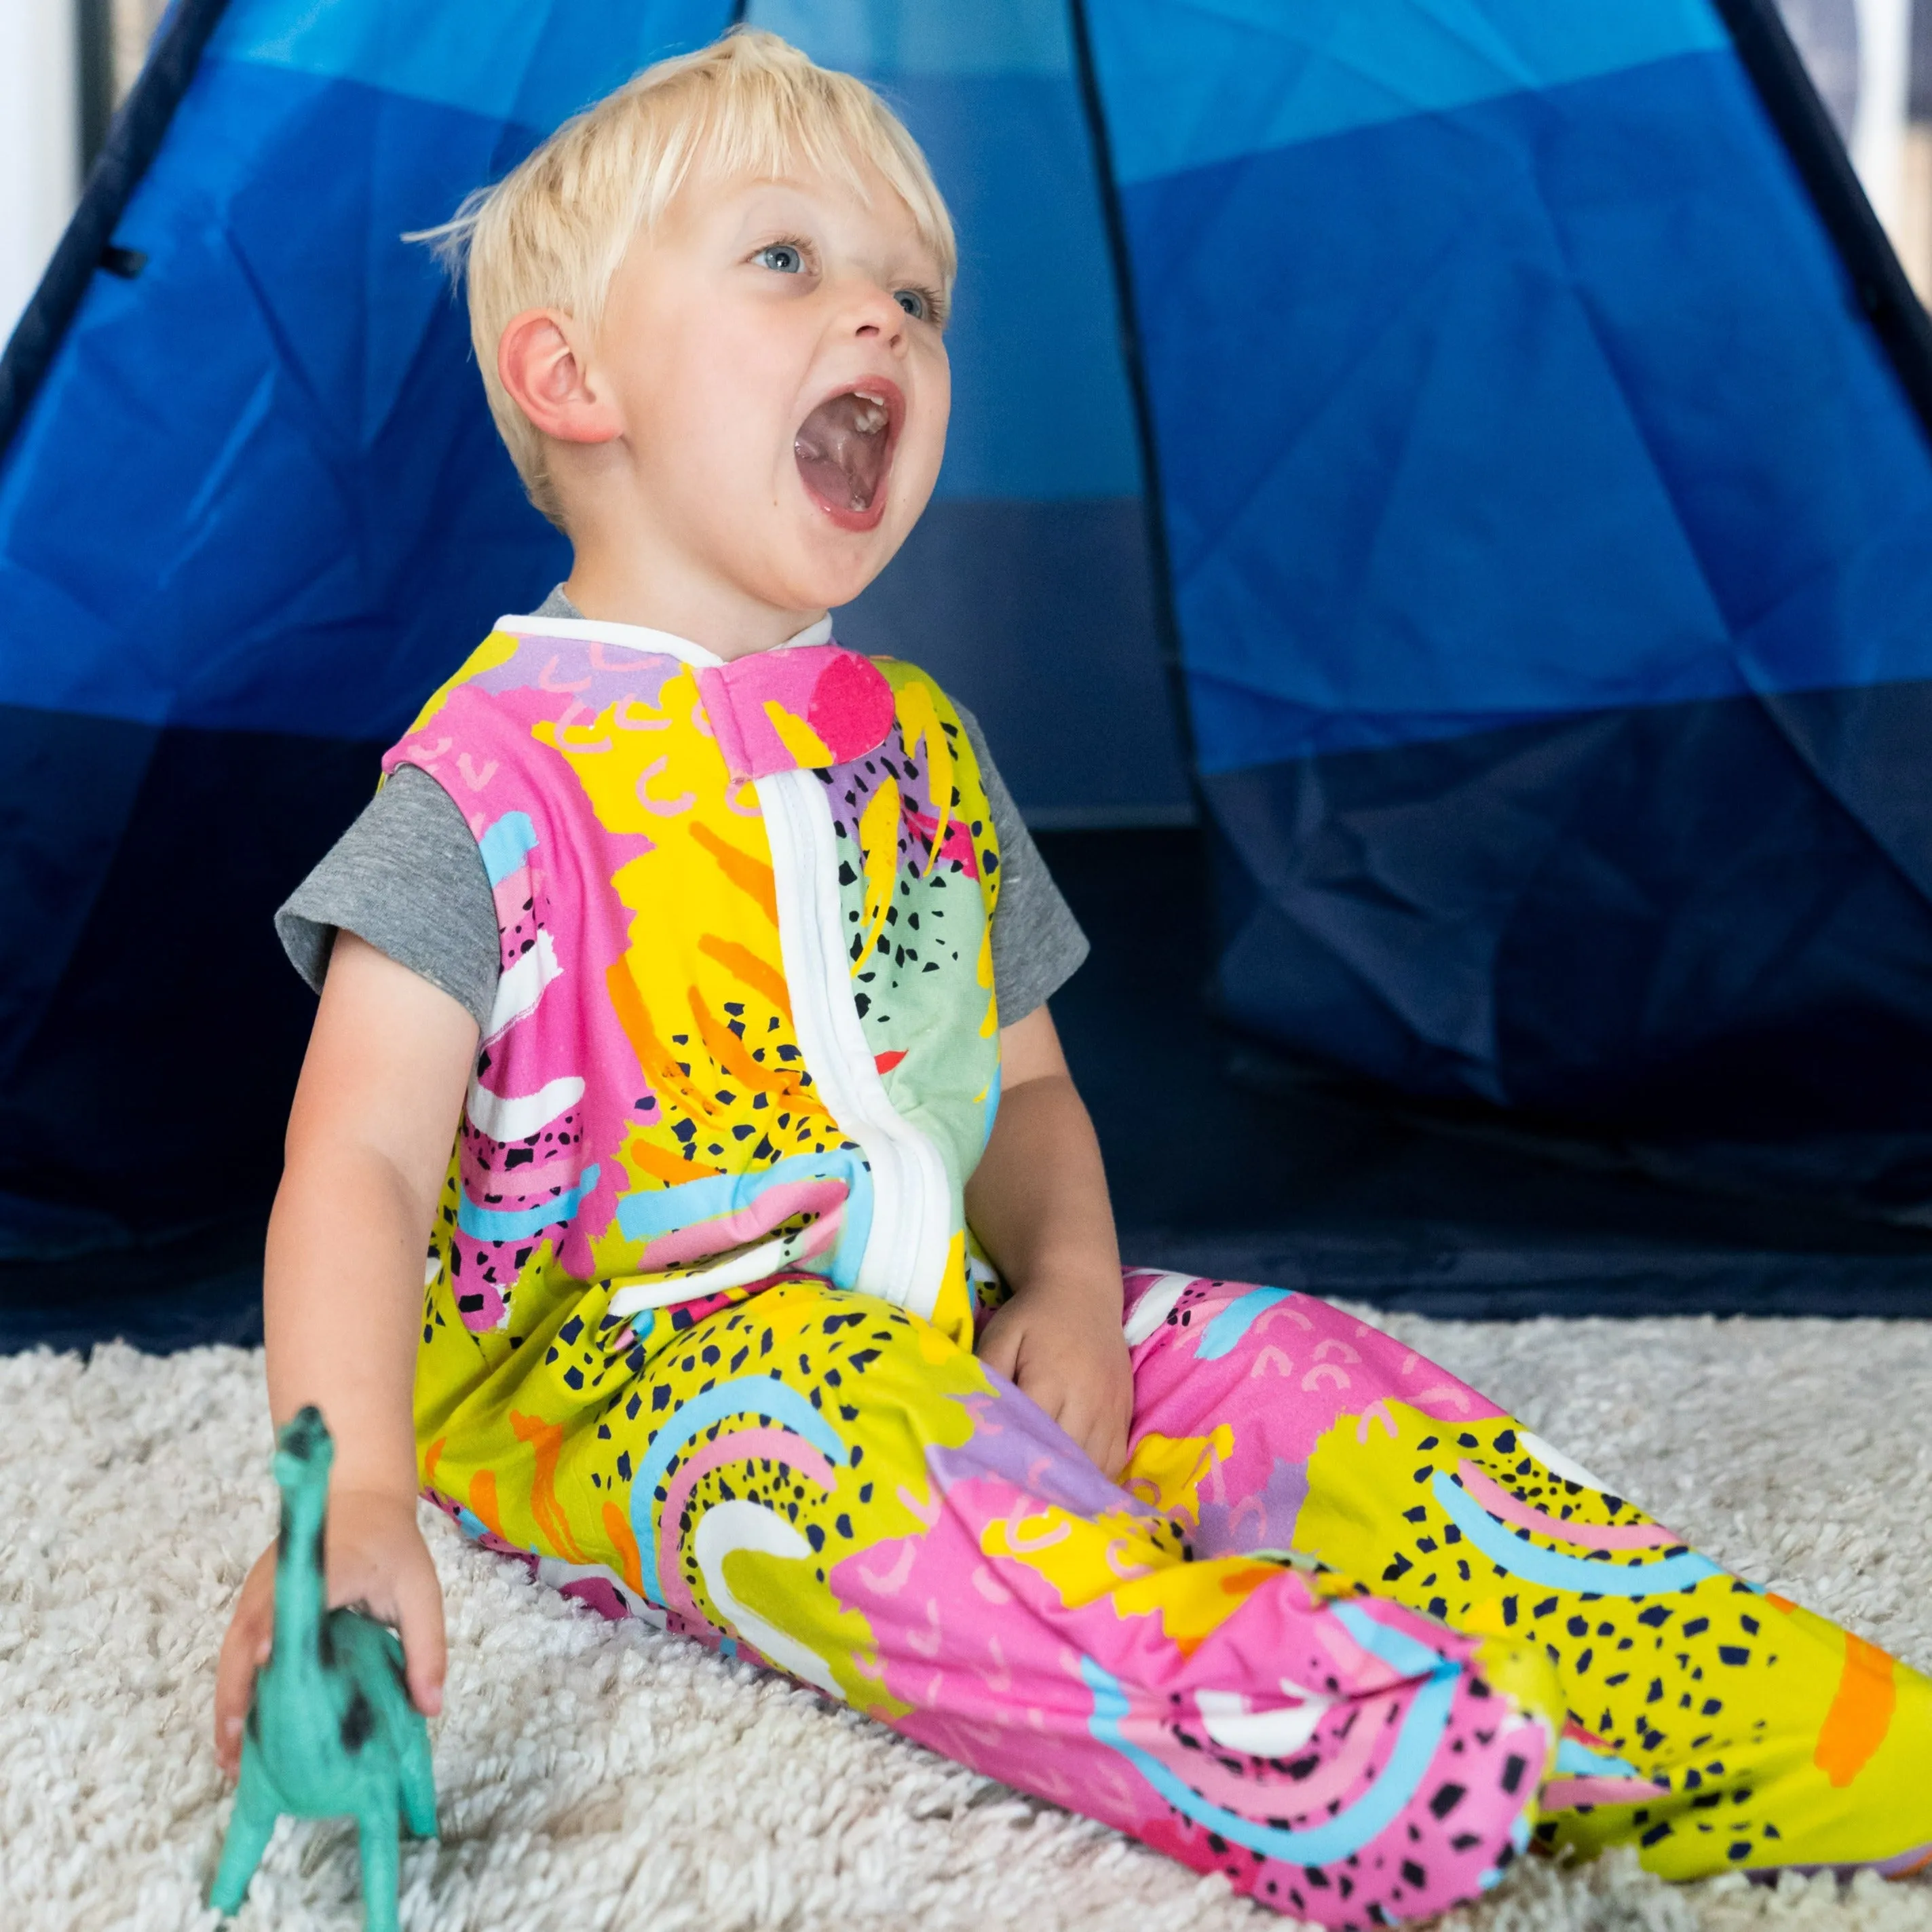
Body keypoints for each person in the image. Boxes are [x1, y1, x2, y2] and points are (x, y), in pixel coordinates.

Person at [211, 29, 1931, 1925]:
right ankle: (1319, 1747)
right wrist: (358, 1487)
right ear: (571, 374)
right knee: (916, 1483)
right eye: (787, 261)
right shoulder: (482, 781)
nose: (877, 315)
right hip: (634, 1375)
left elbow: (1022, 1088)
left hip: (941, 1302)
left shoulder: (926, 748)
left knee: (1306, 1374)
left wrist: (1085, 1290)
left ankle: (1790, 1721)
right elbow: (355, 1164)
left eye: (916, 293)